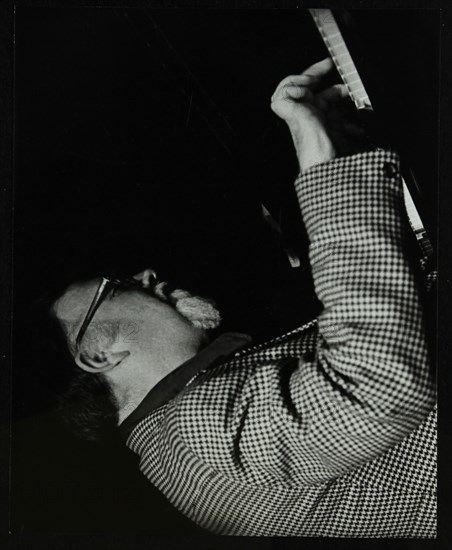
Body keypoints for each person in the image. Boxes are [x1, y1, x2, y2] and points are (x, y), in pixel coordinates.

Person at [50, 58, 436, 537]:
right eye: (117, 287)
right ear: (97, 354)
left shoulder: (185, 433)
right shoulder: (193, 428)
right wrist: (321, 162)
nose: (145, 274)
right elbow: (379, 382)